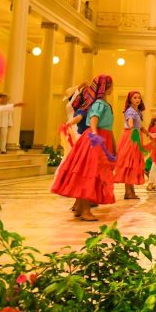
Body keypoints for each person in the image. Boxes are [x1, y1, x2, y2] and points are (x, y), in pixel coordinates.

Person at [51, 75, 116, 221]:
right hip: (94, 140)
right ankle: (86, 210)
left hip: (99, 138)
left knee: (87, 174)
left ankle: (80, 207)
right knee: (90, 174)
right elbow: (93, 119)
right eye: (111, 85)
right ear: (106, 88)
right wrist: (94, 135)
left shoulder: (103, 103)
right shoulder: (100, 103)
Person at [114, 91, 149, 200]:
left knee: (133, 164)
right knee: (129, 163)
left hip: (136, 136)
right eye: (135, 98)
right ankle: (128, 192)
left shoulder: (137, 111)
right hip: (131, 137)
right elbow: (130, 123)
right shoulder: (130, 111)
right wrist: (131, 126)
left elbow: (140, 126)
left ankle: (130, 191)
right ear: (130, 100)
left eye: (139, 97)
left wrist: (148, 133)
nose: (137, 99)